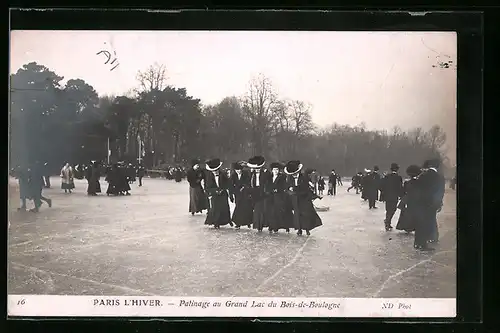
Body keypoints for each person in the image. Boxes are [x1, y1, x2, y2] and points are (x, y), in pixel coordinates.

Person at [284, 160, 323, 236]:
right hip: (295, 199)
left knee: (305, 214)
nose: (294, 175)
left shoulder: (304, 178)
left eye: (295, 173)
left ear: (298, 172)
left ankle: (307, 229)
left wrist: (295, 189)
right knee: (297, 215)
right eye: (292, 174)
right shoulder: (290, 178)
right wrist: (289, 191)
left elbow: (305, 189)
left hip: (304, 199)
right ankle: (299, 229)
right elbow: (287, 187)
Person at [417, 158, 446, 246]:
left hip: (423, 201)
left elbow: (419, 189)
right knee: (432, 218)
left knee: (425, 219)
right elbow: (441, 191)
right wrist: (439, 202)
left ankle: (427, 236)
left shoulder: (423, 175)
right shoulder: (440, 177)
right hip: (434, 202)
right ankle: (433, 236)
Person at [204, 158, 233, 229]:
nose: (215, 172)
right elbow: (207, 187)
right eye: (213, 171)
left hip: (223, 194)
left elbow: (228, 184)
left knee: (224, 207)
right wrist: (214, 191)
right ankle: (216, 222)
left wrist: (223, 189)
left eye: (216, 171)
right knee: (215, 209)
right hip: (214, 195)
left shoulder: (223, 174)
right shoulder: (209, 177)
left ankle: (227, 220)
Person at [266, 162, 293, 233]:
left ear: (279, 170)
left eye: (277, 170)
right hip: (271, 197)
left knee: (278, 212)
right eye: (274, 170)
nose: (275, 171)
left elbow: (284, 185)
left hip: (279, 197)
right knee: (271, 212)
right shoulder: (269, 177)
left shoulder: (282, 177)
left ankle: (280, 227)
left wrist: (278, 189)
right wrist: (269, 190)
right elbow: (267, 185)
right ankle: (272, 226)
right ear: (272, 170)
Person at [395, 165, 422, 233]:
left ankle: (407, 227)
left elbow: (403, 192)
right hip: (417, 200)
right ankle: (414, 227)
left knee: (406, 213)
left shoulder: (407, 182)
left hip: (408, 199)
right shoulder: (419, 183)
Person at [247, 156, 270, 232]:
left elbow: (267, 182)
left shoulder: (265, 173)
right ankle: (258, 225)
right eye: (256, 169)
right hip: (255, 193)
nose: (257, 170)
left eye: (258, 168)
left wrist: (266, 191)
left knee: (263, 210)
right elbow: (250, 183)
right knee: (257, 210)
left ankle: (262, 225)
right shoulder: (252, 174)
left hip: (263, 193)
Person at [380, 163, 403, 231]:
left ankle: (387, 222)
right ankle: (387, 222)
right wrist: (401, 195)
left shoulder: (387, 177)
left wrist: (383, 193)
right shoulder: (399, 177)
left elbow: (382, 186)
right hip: (394, 196)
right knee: (393, 210)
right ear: (397, 169)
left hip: (387, 196)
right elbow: (400, 187)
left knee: (388, 209)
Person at [229, 162, 253, 229]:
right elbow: (230, 186)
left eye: (239, 170)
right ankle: (238, 223)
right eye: (237, 170)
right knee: (238, 208)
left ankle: (248, 222)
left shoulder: (245, 174)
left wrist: (244, 187)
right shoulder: (233, 175)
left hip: (245, 193)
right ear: (235, 170)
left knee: (246, 208)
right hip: (238, 194)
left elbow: (248, 182)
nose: (238, 171)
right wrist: (231, 195)